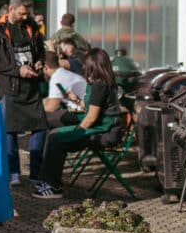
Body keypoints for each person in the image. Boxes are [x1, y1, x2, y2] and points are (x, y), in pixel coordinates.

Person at [33, 49, 123, 199]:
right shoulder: (102, 82)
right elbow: (91, 107)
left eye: (86, 64)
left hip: (105, 133)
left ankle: (54, 187)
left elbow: (91, 118)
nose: (83, 67)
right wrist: (76, 100)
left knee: (56, 138)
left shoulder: (99, 85)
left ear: (92, 65)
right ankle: (47, 180)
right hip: (102, 127)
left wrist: (75, 132)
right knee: (54, 134)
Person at [0, 0, 47, 187]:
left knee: (40, 128)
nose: (25, 17)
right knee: (9, 131)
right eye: (21, 13)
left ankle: (36, 172)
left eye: (27, 14)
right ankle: (13, 173)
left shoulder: (32, 26)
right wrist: (17, 70)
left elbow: (41, 51)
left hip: (32, 88)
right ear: (11, 9)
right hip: (10, 88)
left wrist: (40, 62)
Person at [42, 51, 87, 128]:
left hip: (82, 113)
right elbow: (50, 100)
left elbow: (51, 107)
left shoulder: (56, 77)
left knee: (41, 118)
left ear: (45, 67)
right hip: (80, 108)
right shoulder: (62, 73)